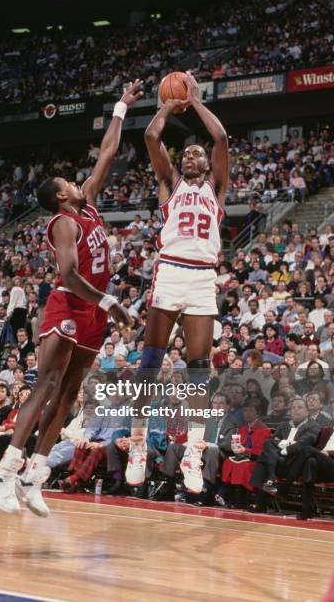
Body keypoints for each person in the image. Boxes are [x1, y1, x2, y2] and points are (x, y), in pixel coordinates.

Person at [0, 80, 143, 516]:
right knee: (48, 383)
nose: (79, 182)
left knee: (71, 393)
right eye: (69, 182)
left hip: (94, 310)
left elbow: (107, 154)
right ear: (60, 195)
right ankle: (4, 471)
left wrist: (121, 107)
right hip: (69, 304)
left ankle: (35, 475)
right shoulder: (61, 222)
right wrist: (110, 302)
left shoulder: (88, 206)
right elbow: (70, 276)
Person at [126, 72, 229, 486]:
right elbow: (152, 138)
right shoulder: (168, 184)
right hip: (169, 271)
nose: (190, 156)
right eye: (185, 153)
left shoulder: (216, 189)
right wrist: (169, 104)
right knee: (150, 362)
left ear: (207, 164)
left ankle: (193, 452)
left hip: (203, 277)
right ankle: (136, 444)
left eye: (196, 154)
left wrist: (196, 100)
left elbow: (221, 139)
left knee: (199, 367)